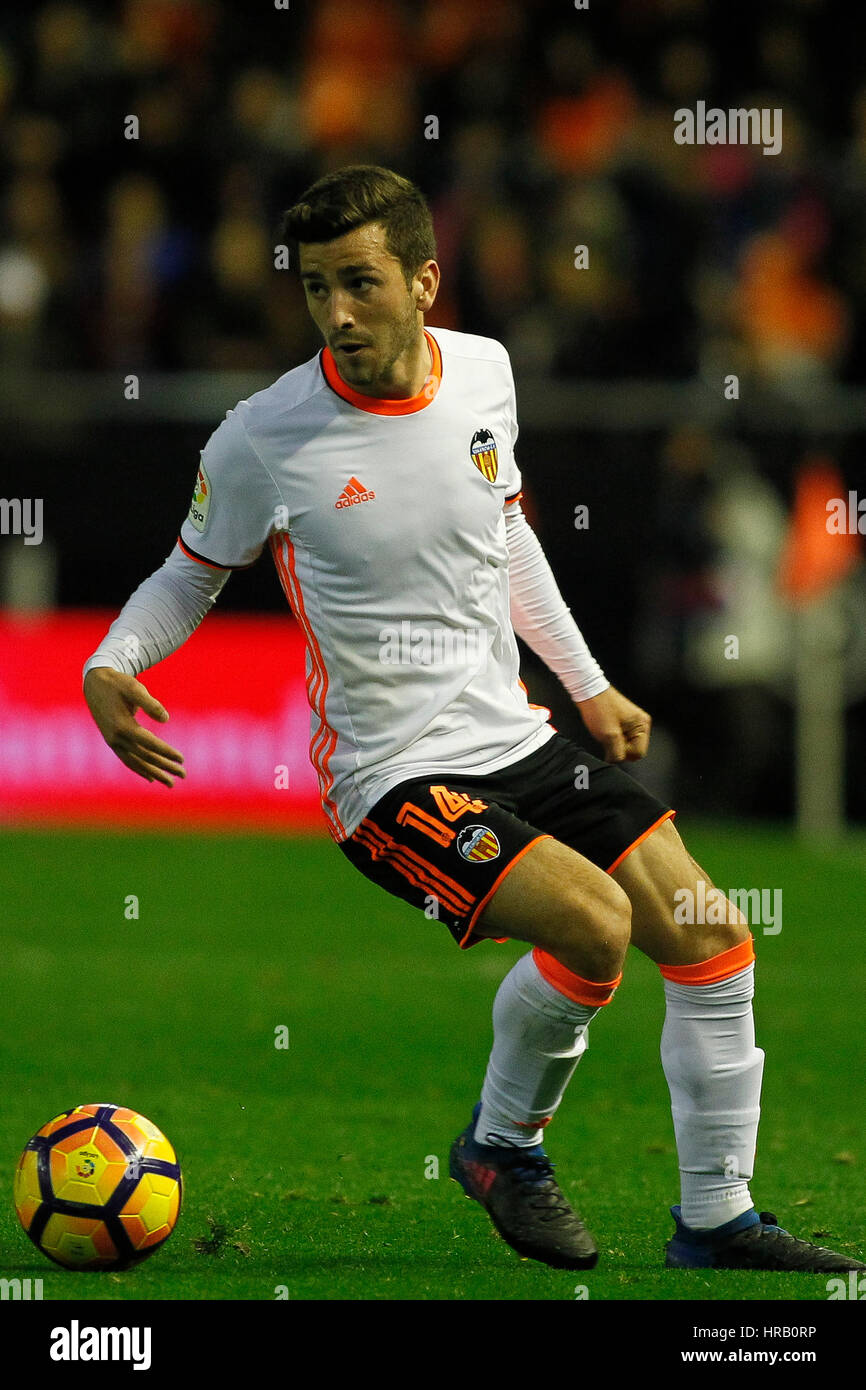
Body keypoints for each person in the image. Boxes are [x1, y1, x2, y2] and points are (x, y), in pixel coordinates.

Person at [83, 165, 862, 1274]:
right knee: (593, 924)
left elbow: (505, 537)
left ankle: (715, 1221)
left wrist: (586, 685)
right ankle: (501, 1148)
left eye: (359, 283)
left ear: (422, 279)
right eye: (314, 289)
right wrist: (113, 661)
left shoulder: (485, 374)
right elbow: (188, 573)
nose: (336, 313)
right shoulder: (263, 436)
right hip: (391, 778)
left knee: (711, 934)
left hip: (519, 738)